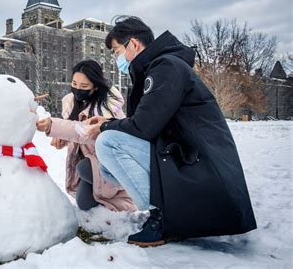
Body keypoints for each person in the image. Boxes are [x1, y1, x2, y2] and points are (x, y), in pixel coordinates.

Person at [86, 16, 257, 247]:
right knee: (107, 167)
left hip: (201, 166)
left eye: (117, 52)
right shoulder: (158, 68)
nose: (117, 59)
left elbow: (144, 127)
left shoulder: (166, 68)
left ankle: (164, 217)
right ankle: (166, 208)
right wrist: (108, 120)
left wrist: (106, 126)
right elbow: (148, 120)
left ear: (134, 44)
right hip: (183, 156)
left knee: (108, 142)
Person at [36, 60, 136, 212]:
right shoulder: (70, 101)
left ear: (95, 87)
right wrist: (63, 138)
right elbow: (75, 133)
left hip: (109, 163)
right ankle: (105, 204)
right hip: (89, 160)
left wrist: (53, 126)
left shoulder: (106, 108)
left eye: (83, 87)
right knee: (84, 202)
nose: (77, 89)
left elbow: (84, 133)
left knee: (82, 168)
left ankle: (126, 201)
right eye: (74, 83)